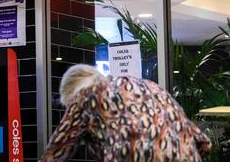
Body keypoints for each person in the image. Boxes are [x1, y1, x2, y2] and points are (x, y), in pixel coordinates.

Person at [42, 64, 211, 161]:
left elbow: (55, 153)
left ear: (72, 93)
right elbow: (204, 143)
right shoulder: (151, 87)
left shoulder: (85, 95)